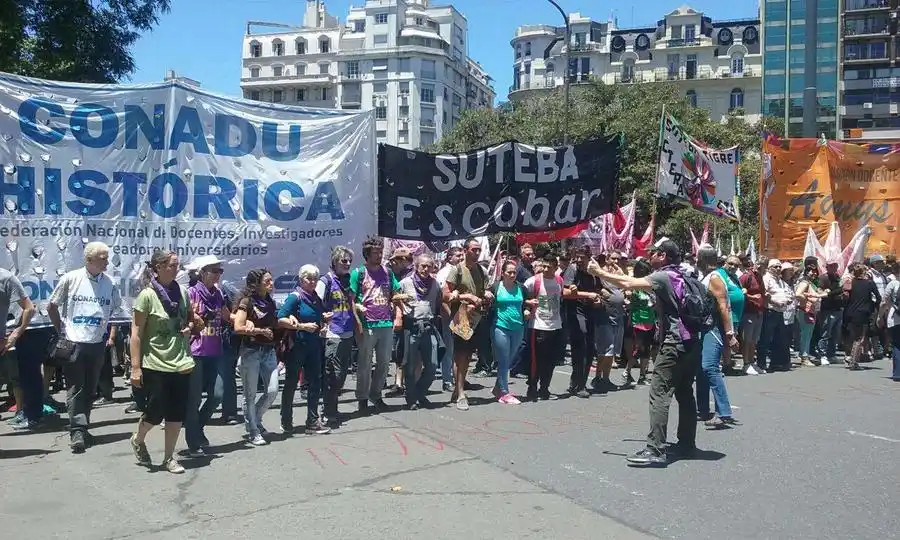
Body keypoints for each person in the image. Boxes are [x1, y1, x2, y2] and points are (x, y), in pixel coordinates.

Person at [589, 238, 700, 466]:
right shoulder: (684, 275)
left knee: (659, 394)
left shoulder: (663, 276)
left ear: (663, 256)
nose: (649, 256)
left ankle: (655, 449)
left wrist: (599, 271)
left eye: (653, 253)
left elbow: (628, 284)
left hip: (674, 342)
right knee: (685, 393)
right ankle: (687, 443)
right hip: (691, 342)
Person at [48, 241, 123, 453]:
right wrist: (61, 330)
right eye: (103, 258)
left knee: (90, 388)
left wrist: (113, 332)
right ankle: (77, 431)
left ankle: (84, 426)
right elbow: (51, 305)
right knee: (76, 387)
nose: (107, 262)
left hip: (97, 343)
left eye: (107, 258)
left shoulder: (109, 283)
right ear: (89, 260)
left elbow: (119, 310)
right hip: (74, 343)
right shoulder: (71, 278)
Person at [129, 249, 199, 474]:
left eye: (178, 265)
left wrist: (191, 326)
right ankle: (139, 438)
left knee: (177, 412)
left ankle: (169, 457)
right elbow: (136, 333)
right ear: (158, 267)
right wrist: (136, 368)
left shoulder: (183, 293)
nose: (176, 269)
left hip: (181, 361)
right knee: (155, 411)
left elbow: (190, 320)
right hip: (155, 362)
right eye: (172, 265)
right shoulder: (147, 296)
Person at [184, 256, 234, 457]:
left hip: (215, 351)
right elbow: (183, 319)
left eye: (220, 271)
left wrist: (247, 322)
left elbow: (227, 317)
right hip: (195, 352)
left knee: (217, 395)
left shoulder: (219, 293)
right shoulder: (190, 293)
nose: (218, 274)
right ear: (202, 272)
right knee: (194, 398)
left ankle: (197, 428)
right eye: (214, 270)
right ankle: (193, 442)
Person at [351, 237, 406, 414]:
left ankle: (376, 395)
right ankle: (362, 397)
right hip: (367, 324)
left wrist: (399, 312)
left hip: (385, 322)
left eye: (380, 252)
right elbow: (351, 300)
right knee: (365, 363)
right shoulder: (358, 273)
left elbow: (395, 293)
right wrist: (358, 322)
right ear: (367, 254)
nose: (379, 255)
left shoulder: (388, 272)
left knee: (384, 363)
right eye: (375, 253)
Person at [278, 265, 332, 435]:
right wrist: (302, 326)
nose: (313, 281)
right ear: (301, 280)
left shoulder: (315, 297)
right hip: (297, 346)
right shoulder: (295, 297)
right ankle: (286, 420)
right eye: (309, 278)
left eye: (315, 278)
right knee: (291, 383)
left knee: (315, 383)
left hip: (314, 346)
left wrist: (324, 321)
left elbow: (319, 317)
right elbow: (281, 319)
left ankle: (312, 420)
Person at [443, 237, 493, 411]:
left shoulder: (481, 270)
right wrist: (466, 296)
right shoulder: (456, 270)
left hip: (477, 317)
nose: (477, 253)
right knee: (460, 356)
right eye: (474, 249)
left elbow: (486, 289)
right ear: (465, 250)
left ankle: (458, 389)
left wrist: (487, 294)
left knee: (468, 356)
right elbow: (446, 295)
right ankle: (461, 393)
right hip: (461, 316)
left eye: (479, 250)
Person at [233, 269, 280, 446]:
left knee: (272, 391)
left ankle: (257, 419)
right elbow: (238, 326)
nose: (271, 283)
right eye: (267, 281)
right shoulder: (247, 302)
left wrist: (298, 324)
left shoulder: (270, 301)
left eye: (271, 280)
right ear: (257, 283)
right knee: (250, 394)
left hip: (268, 351)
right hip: (251, 351)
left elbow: (275, 324)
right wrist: (258, 330)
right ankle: (252, 429)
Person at [695, 244, 738, 428]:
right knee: (701, 370)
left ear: (702, 260)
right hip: (704, 328)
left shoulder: (714, 278)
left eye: (698, 258)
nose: (696, 261)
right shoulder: (707, 277)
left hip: (713, 328)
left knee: (710, 367)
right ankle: (703, 409)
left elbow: (723, 306)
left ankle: (724, 412)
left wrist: (730, 334)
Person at [316, 246, 357, 428]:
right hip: (333, 333)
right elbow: (315, 304)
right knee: (333, 374)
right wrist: (322, 319)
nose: (347, 264)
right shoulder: (325, 281)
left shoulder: (347, 281)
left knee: (341, 377)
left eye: (349, 261)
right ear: (334, 262)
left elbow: (352, 303)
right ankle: (327, 412)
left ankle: (332, 407)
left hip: (348, 332)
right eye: (343, 261)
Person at [397, 255, 442, 410]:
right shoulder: (405, 283)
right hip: (411, 327)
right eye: (422, 266)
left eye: (429, 266)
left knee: (433, 365)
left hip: (429, 327)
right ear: (416, 266)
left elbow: (438, 304)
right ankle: (411, 398)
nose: (425, 269)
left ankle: (419, 393)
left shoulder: (435, 284)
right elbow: (395, 301)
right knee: (409, 366)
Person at [523, 251, 563, 401]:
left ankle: (544, 388)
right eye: (544, 266)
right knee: (536, 360)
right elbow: (521, 295)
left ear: (555, 267)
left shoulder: (559, 280)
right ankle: (532, 388)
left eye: (549, 267)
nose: (546, 270)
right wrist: (527, 305)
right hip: (538, 326)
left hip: (555, 325)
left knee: (550, 360)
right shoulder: (533, 281)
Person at [562, 246, 602, 398]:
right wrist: (587, 295)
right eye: (577, 257)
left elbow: (599, 289)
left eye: (582, 257)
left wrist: (599, 297)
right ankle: (578, 384)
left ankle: (580, 382)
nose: (579, 260)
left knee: (590, 348)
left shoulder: (593, 269)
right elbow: (565, 292)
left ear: (589, 257)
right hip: (576, 312)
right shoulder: (572, 269)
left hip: (590, 312)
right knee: (581, 346)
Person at [0, 269, 36, 430]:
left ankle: (23, 410)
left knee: (16, 378)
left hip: (3, 341)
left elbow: (29, 307)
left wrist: (16, 333)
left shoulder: (6, 278)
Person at [490, 260, 529, 404]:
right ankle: (505, 393)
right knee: (504, 359)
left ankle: (497, 387)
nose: (512, 275)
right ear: (503, 273)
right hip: (500, 326)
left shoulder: (521, 288)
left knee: (510, 360)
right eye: (509, 272)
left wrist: (527, 310)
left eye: (514, 272)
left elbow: (528, 302)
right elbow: (487, 301)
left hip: (518, 327)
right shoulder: (496, 287)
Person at [592, 253, 626, 393]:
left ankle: (605, 378)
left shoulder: (618, 273)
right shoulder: (600, 273)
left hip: (618, 317)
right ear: (607, 259)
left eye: (618, 258)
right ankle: (598, 377)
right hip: (605, 317)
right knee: (606, 349)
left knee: (612, 351)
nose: (616, 261)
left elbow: (624, 284)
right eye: (613, 258)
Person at [757, 259, 794, 373]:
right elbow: (765, 294)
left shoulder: (780, 280)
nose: (778, 269)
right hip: (770, 311)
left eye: (779, 267)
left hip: (780, 312)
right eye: (775, 267)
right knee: (766, 338)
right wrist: (775, 302)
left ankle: (775, 363)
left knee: (779, 338)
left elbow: (786, 292)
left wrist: (787, 300)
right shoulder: (766, 278)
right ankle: (762, 363)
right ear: (769, 268)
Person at [436, 247, 464, 392]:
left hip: (463, 315)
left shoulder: (462, 270)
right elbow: (442, 298)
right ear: (449, 257)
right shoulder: (444, 273)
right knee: (450, 349)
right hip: (449, 316)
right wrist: (452, 316)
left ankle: (459, 378)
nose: (461, 258)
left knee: (460, 349)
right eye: (458, 255)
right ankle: (447, 380)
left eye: (462, 255)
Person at [624, 259, 655, 386]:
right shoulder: (634, 286)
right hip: (638, 321)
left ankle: (643, 376)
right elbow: (628, 297)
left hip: (650, 320)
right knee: (638, 349)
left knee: (646, 349)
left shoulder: (649, 286)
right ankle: (627, 371)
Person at [845, 263, 880, 370]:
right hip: (863, 312)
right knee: (860, 338)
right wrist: (873, 306)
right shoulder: (869, 283)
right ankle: (853, 361)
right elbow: (878, 297)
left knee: (853, 336)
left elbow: (846, 295)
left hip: (850, 312)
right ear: (864, 272)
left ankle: (850, 356)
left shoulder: (851, 283)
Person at [795, 260, 827, 367]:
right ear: (806, 272)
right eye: (810, 271)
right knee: (806, 335)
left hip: (811, 311)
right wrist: (807, 299)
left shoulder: (811, 283)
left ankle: (803, 354)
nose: (813, 273)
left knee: (808, 334)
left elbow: (818, 293)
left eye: (815, 271)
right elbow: (798, 294)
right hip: (805, 311)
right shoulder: (804, 283)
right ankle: (804, 357)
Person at [739, 256, 767, 374]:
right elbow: (739, 292)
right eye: (759, 265)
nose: (760, 268)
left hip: (759, 312)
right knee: (747, 339)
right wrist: (751, 297)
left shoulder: (759, 277)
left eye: (763, 266)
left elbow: (762, 291)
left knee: (754, 340)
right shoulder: (746, 276)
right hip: (748, 312)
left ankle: (751, 362)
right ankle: (746, 363)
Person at [816, 260, 844, 366]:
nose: (833, 268)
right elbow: (819, 290)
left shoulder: (838, 277)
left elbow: (842, 289)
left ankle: (831, 355)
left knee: (835, 334)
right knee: (825, 333)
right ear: (827, 267)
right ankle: (822, 355)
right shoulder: (823, 278)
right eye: (831, 266)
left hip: (838, 309)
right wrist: (825, 292)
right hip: (827, 309)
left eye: (835, 266)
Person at [882, 268, 900, 380]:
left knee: (897, 345)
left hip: (895, 318)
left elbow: (884, 301)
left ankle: (897, 373)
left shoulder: (893, 284)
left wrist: (880, 316)